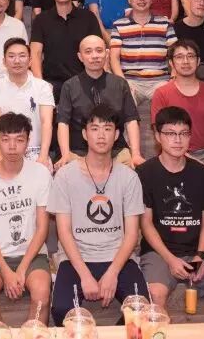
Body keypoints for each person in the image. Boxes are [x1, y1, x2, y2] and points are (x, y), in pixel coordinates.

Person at [138, 107, 204, 322]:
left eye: (183, 133)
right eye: (170, 133)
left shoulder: (202, 172)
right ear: (157, 136)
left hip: (196, 251)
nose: (178, 140)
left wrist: (200, 257)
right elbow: (146, 224)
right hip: (159, 253)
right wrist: (170, 260)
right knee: (155, 296)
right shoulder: (145, 173)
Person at [48, 105, 146, 326]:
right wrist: (85, 275)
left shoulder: (129, 177)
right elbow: (64, 232)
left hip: (118, 256)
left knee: (141, 310)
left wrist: (112, 273)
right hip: (76, 258)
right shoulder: (65, 176)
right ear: (84, 134)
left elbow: (132, 234)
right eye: (94, 128)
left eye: (107, 128)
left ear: (117, 134)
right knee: (62, 309)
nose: (101, 135)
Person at [0, 112, 52, 325]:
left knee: (41, 292)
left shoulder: (41, 174)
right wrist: (6, 272)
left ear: (28, 141)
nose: (12, 147)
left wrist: (22, 269)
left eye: (19, 140)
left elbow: (42, 228)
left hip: (32, 253)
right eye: (6, 139)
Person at [56, 35, 143, 168]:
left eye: (99, 50)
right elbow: (63, 122)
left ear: (107, 54)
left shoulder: (120, 84)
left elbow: (131, 120)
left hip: (116, 151)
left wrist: (136, 154)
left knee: (132, 170)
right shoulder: (69, 86)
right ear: (80, 57)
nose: (95, 56)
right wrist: (65, 154)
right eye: (88, 52)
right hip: (79, 152)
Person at [30, 0, 103, 100]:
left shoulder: (88, 17)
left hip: (85, 82)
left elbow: (97, 52)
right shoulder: (41, 20)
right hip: (51, 84)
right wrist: (40, 85)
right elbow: (35, 54)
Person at [150, 41, 204, 163]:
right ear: (171, 63)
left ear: (198, 61)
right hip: (175, 154)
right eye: (179, 57)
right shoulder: (161, 93)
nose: (185, 61)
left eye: (190, 56)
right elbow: (159, 132)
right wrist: (194, 163)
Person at [0, 38, 54, 165]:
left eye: (22, 56)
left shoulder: (43, 87)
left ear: (30, 61)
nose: (17, 61)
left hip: (35, 150)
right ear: (4, 62)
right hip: (4, 150)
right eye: (11, 56)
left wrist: (43, 155)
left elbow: (46, 122)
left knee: (43, 171)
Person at [109, 0, 177, 105]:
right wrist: (123, 82)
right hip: (130, 81)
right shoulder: (118, 25)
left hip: (160, 81)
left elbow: (176, 55)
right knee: (123, 102)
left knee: (169, 101)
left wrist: (173, 78)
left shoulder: (165, 23)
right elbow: (114, 58)